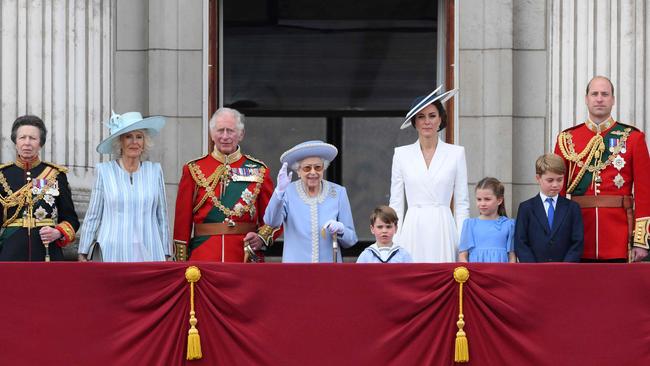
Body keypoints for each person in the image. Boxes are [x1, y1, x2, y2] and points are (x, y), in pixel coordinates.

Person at [554, 76, 650, 262]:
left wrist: (640, 240)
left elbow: (645, 193)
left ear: (613, 99)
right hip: (578, 235)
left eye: (605, 94)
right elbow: (557, 191)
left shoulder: (633, 138)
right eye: (594, 94)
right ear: (586, 98)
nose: (599, 99)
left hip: (620, 237)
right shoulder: (567, 139)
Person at [173, 107, 279, 262]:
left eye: (230, 131)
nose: (225, 136)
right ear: (211, 134)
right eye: (220, 130)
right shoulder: (193, 169)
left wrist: (261, 238)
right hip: (203, 256)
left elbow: (273, 216)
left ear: (241, 134)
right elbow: (182, 223)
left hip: (244, 257)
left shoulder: (259, 170)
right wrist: (181, 263)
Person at [389, 86, 469, 262]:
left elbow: (462, 204)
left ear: (440, 119)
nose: (427, 122)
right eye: (421, 117)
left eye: (432, 116)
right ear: (414, 122)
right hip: (413, 227)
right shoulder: (401, 154)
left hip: (443, 226)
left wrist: (463, 243)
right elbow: (396, 203)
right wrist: (395, 240)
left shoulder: (456, 153)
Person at [77, 112, 171, 262]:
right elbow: (94, 215)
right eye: (128, 136)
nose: (134, 142)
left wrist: (166, 252)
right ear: (119, 141)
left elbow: (162, 216)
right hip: (112, 251)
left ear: (144, 142)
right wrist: (83, 251)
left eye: (139, 137)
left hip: (150, 250)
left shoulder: (155, 171)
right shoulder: (104, 171)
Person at [0, 115, 79, 261]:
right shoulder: (3, 175)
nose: (27, 143)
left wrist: (58, 232)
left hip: (47, 252)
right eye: (22, 137)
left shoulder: (55, 175)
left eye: (33, 138)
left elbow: (71, 219)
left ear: (40, 143)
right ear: (15, 142)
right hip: (11, 251)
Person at [264, 140, 357, 262]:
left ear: (323, 169)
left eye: (317, 167)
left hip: (329, 270)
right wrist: (279, 191)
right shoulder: (287, 192)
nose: (313, 172)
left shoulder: (338, 192)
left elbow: (351, 240)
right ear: (298, 171)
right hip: (296, 271)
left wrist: (341, 230)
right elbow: (271, 222)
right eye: (307, 168)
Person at [515, 154, 584, 262]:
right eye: (550, 180)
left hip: (564, 271)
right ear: (538, 178)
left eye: (559, 180)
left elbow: (577, 241)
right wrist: (532, 268)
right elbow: (521, 242)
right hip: (534, 271)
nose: (555, 185)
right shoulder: (526, 208)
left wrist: (566, 266)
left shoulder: (572, 208)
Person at [458, 177, 515, 263]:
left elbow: (512, 257)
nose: (482, 203)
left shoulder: (508, 224)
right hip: (476, 273)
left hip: (500, 274)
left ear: (499, 200)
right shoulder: (469, 224)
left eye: (487, 199)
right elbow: (463, 256)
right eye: (479, 199)